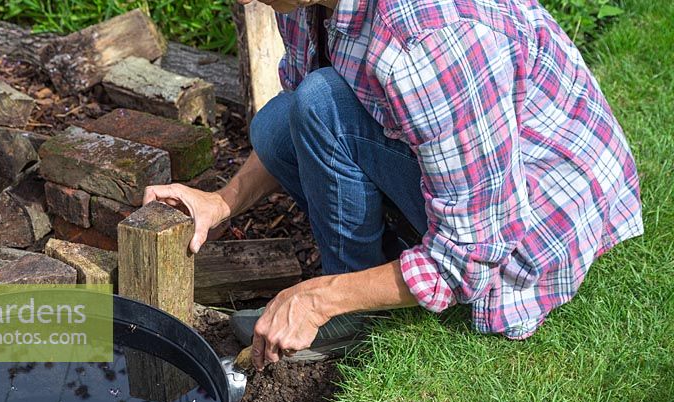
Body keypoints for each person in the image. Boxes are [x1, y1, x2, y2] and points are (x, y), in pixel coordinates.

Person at [143, 0, 643, 370]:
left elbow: (474, 250)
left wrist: (319, 298)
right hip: (478, 163)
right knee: (278, 125)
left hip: (532, 218)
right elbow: (305, 104)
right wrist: (222, 202)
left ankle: (349, 313)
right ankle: (376, 264)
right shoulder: (302, 5)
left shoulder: (429, 38)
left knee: (319, 104)